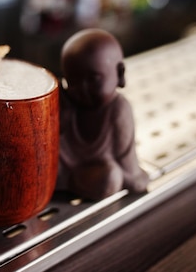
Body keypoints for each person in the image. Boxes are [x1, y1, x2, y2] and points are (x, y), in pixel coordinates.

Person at [57, 28, 149, 200]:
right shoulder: (69, 104)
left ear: (119, 73)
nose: (82, 88)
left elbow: (126, 160)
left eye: (93, 79)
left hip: (97, 173)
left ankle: (69, 182)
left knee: (111, 177)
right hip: (66, 167)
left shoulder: (118, 109)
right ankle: (66, 181)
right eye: (72, 81)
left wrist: (134, 178)